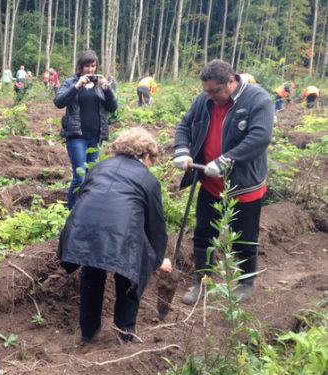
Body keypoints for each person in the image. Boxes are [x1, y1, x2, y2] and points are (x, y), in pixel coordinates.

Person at [172, 59, 273, 305]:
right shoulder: (204, 99)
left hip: (244, 184)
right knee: (203, 234)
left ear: (231, 81)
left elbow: (260, 137)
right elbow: (185, 125)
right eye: (206, 90)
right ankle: (202, 283)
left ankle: (246, 283)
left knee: (243, 236)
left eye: (214, 90)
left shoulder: (257, 100)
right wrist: (181, 150)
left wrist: (226, 160)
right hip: (209, 183)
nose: (210, 95)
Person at [58, 127, 172, 343]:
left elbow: (84, 198)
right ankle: (125, 333)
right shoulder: (147, 179)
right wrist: (157, 259)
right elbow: (155, 225)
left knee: (92, 269)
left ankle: (88, 333)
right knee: (130, 275)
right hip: (119, 231)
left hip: (83, 229)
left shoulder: (100, 166)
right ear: (146, 154)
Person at [54, 50, 118, 210]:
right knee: (80, 176)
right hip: (76, 136)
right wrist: (77, 86)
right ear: (80, 67)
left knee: (91, 177)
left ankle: (85, 209)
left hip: (96, 137)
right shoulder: (71, 82)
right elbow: (59, 102)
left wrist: (107, 89)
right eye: (87, 66)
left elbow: (113, 108)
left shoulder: (100, 85)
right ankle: (72, 210)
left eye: (93, 66)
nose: (90, 70)